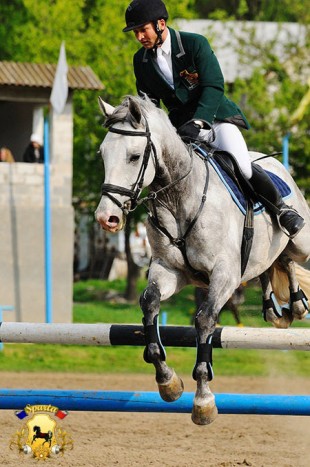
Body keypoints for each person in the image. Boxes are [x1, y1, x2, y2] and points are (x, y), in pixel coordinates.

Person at [122, 0, 305, 238]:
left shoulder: (194, 44)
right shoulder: (141, 61)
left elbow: (214, 85)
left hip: (215, 119)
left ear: (160, 24)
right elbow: (149, 102)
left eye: (142, 30)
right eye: (135, 32)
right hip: (180, 130)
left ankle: (282, 210)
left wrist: (200, 121)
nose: (139, 37)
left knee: (242, 167)